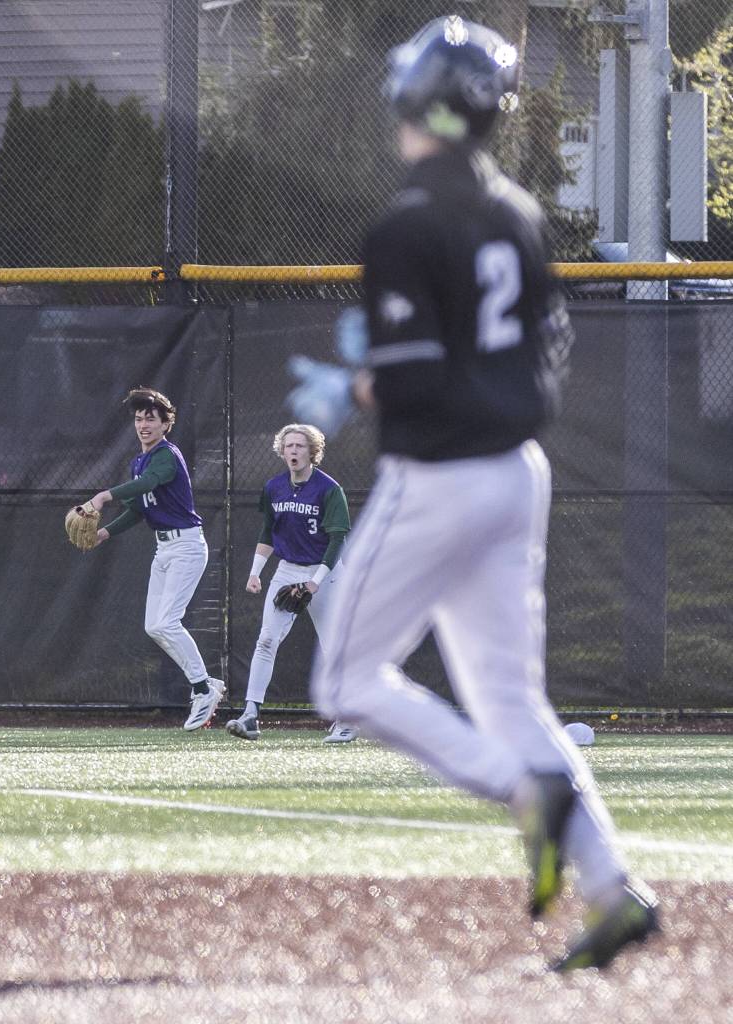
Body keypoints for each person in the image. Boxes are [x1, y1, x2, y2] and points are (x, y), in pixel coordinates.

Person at [297, 16, 660, 971]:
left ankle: (521, 790)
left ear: (420, 104)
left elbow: (409, 379)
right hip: (516, 474)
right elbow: (547, 355)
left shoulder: (406, 222)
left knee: (341, 679)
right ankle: (612, 888)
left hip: (442, 477)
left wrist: (365, 384)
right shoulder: (520, 215)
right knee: (511, 697)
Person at [84, 387, 224, 731]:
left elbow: (150, 482)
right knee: (154, 626)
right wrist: (105, 533)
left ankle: (203, 689)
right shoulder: (138, 461)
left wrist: (104, 496)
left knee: (165, 623)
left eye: (151, 419)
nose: (143, 425)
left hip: (187, 547)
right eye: (138, 418)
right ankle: (207, 684)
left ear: (166, 425)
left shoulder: (166, 456)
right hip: (164, 549)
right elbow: (138, 509)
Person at [225, 423, 358, 744]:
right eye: (289, 446)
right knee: (266, 640)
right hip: (287, 571)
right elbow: (268, 532)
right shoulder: (274, 487)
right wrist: (256, 571)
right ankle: (251, 714)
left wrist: (314, 584)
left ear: (313, 451)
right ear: (281, 451)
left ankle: (348, 719)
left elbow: (337, 538)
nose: (294, 451)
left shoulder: (328, 489)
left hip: (326, 573)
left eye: (300, 446)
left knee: (333, 647)